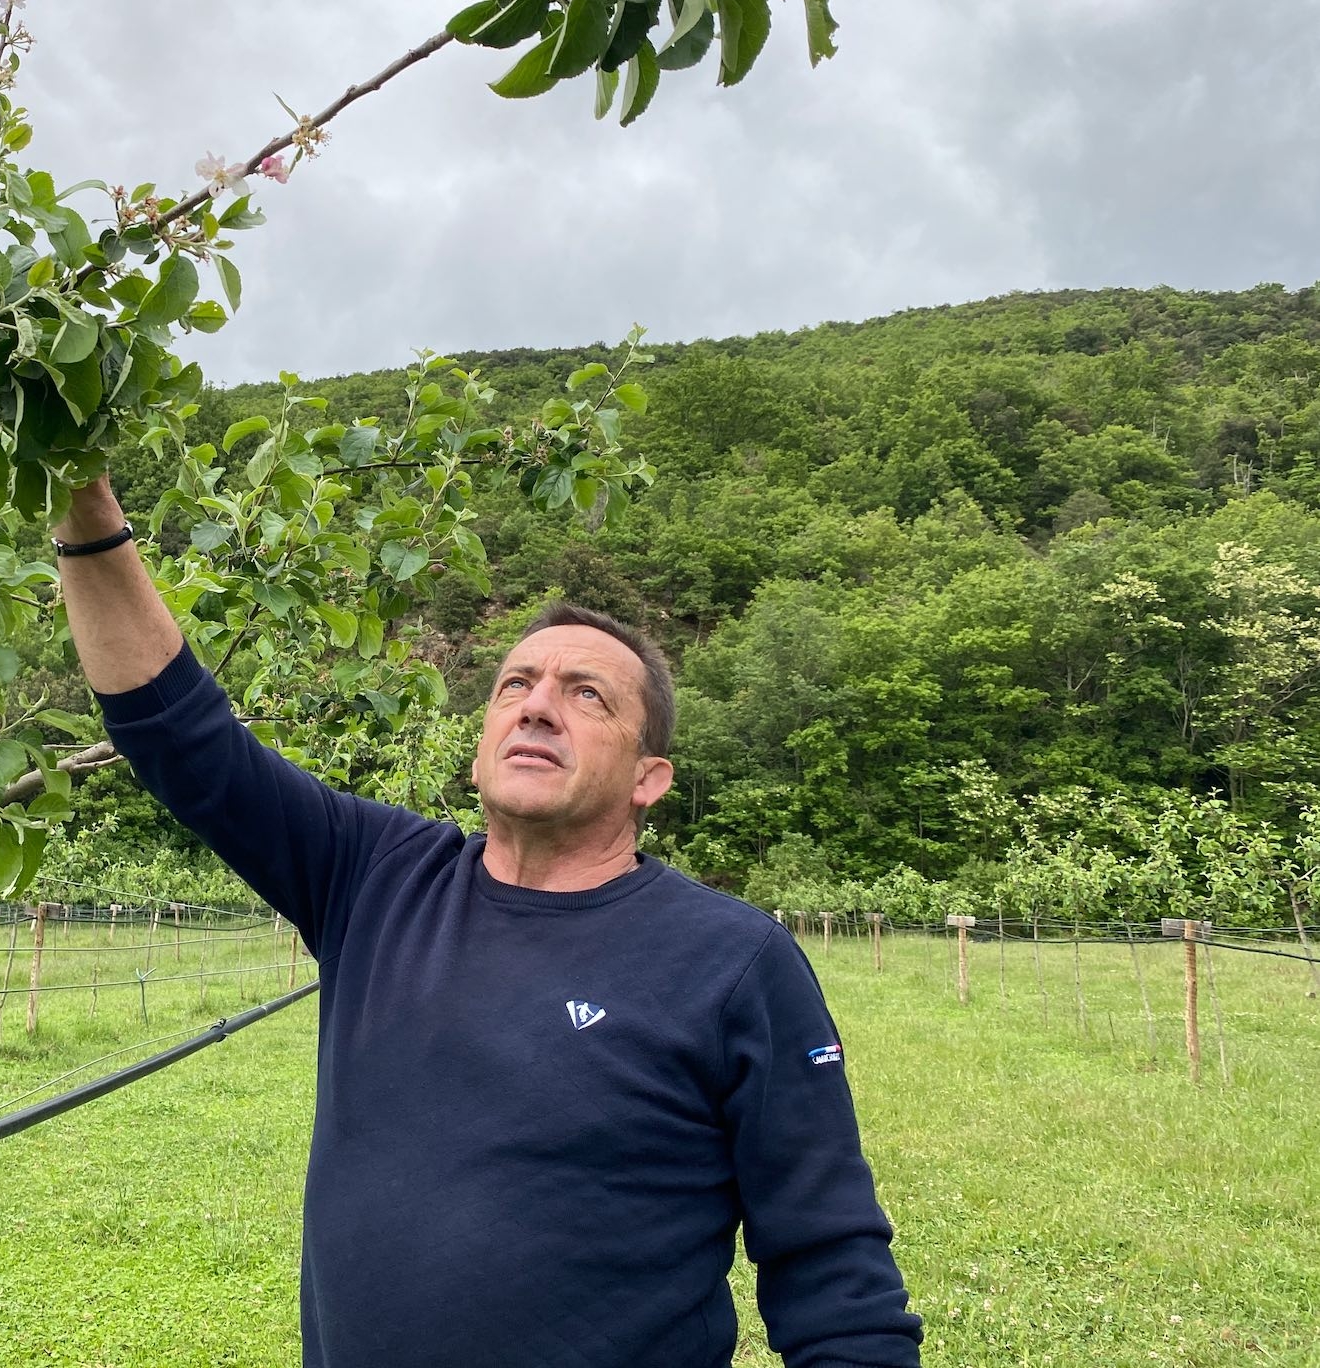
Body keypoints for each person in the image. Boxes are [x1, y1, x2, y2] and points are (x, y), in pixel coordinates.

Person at [52, 475, 922, 1368]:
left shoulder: (733, 962)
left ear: (648, 779)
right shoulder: (373, 875)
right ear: (482, 746)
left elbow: (831, 1271)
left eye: (588, 696)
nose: (539, 704)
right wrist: (83, 506)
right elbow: (180, 739)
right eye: (517, 683)